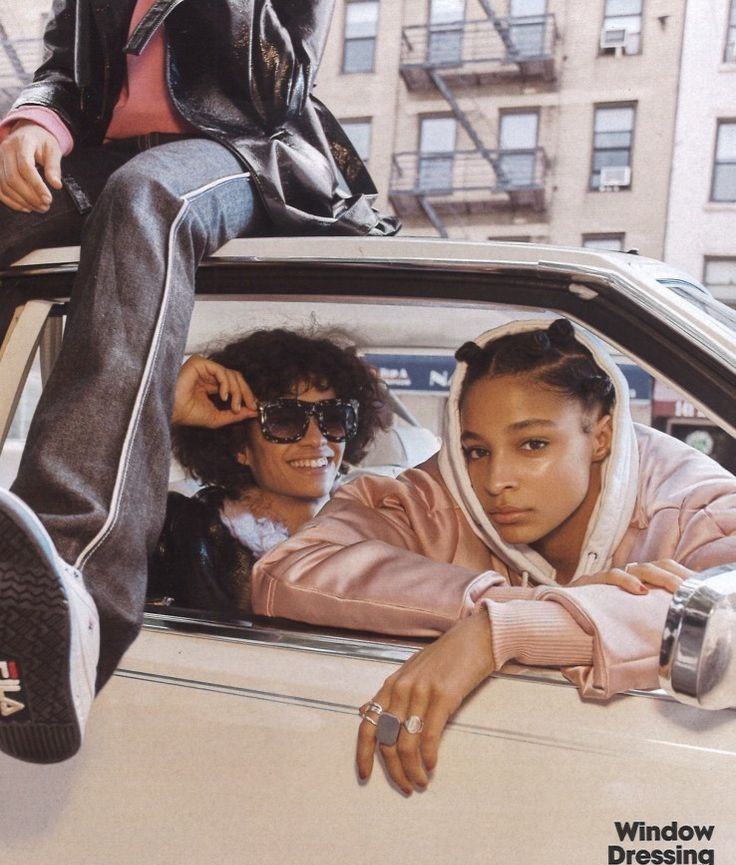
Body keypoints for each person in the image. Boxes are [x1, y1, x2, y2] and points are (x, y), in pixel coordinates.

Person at [0, 0, 398, 764]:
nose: (315, 436)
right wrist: (35, 125)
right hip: (105, 157)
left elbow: (270, 84)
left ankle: (75, 579)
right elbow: (67, 70)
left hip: (246, 154)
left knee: (145, 200)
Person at [251, 318, 736, 795]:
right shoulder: (447, 490)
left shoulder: (692, 501)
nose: (495, 479)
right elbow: (287, 571)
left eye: (533, 444)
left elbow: (722, 618)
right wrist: (501, 604)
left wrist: (496, 632)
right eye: (476, 450)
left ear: (601, 436)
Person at [148, 329, 384, 614]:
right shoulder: (184, 532)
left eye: (334, 418)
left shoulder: (379, 526)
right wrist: (165, 411)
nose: (317, 439)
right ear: (240, 446)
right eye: (285, 420)